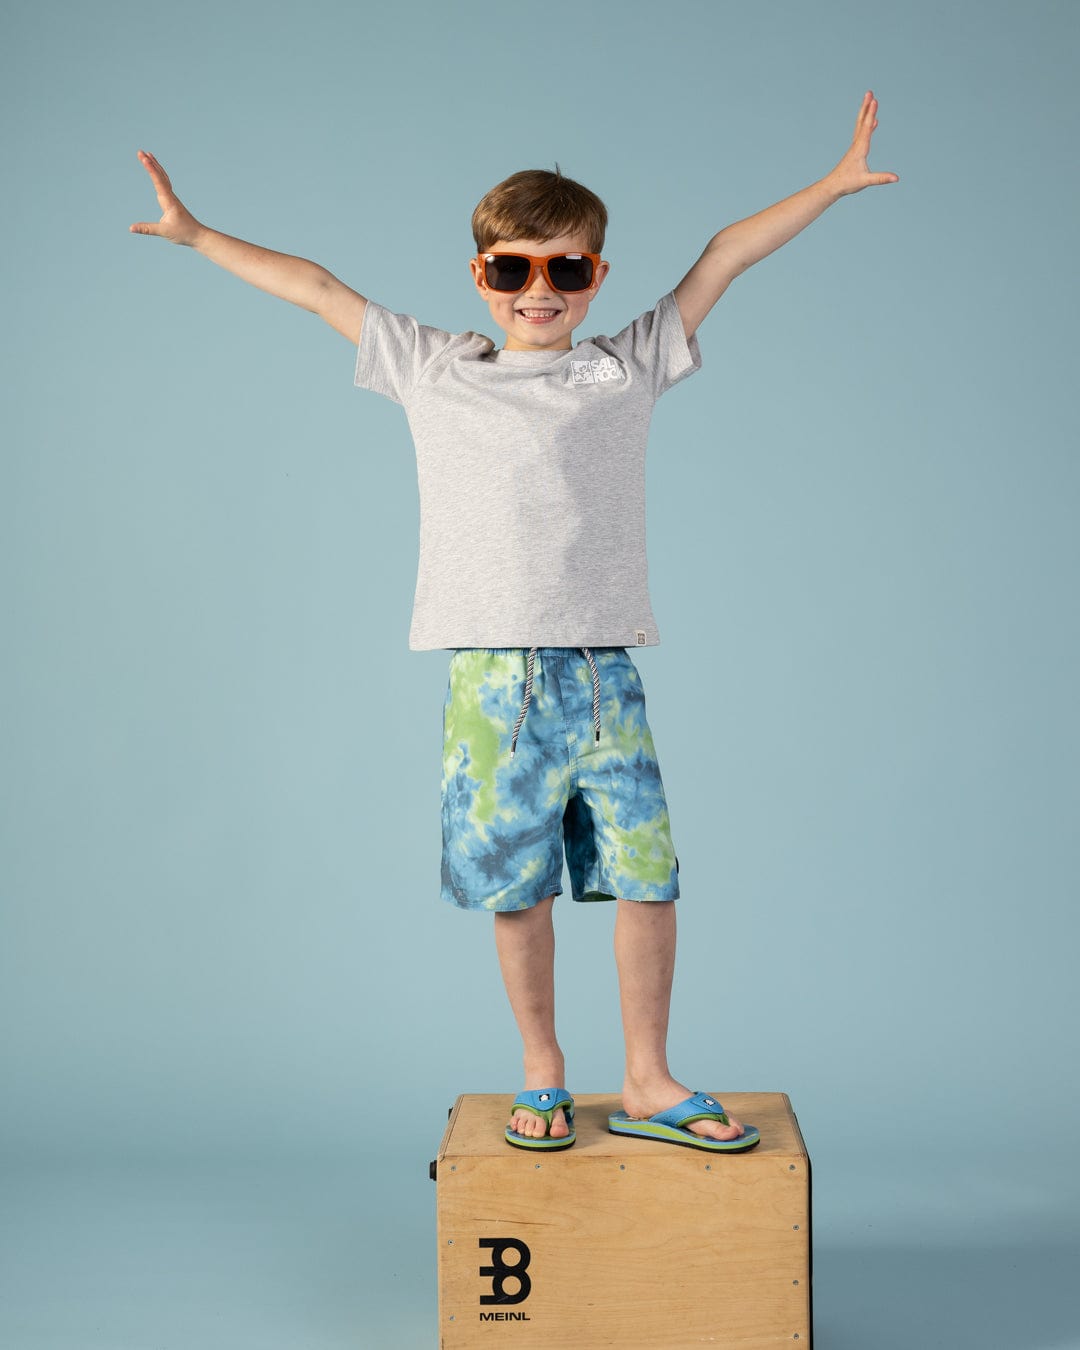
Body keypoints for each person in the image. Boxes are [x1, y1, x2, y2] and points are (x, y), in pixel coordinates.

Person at [131, 91, 897, 1154]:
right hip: (492, 681)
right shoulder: (433, 368)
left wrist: (833, 180)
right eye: (515, 269)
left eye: (566, 269)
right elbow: (313, 289)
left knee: (648, 875)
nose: (541, 290)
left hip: (600, 674)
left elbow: (723, 254)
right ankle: (542, 1070)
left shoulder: (623, 367)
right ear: (482, 275)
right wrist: (195, 232)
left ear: (596, 278)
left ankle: (647, 1078)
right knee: (516, 888)